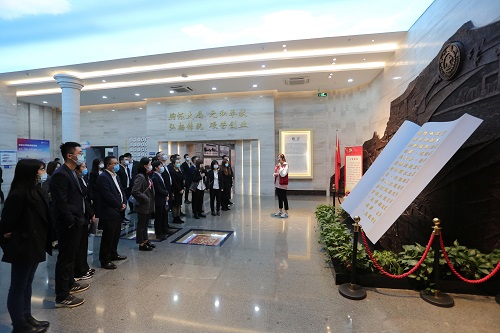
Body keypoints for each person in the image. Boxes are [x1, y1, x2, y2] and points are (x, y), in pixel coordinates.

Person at [0, 159, 52, 333]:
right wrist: (12, 235)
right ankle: (19, 324)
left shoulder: (37, 190)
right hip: (23, 245)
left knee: (28, 284)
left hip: (35, 244)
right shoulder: (18, 194)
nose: (43, 172)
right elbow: (6, 223)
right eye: (41, 170)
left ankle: (27, 317)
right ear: (30, 172)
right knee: (18, 286)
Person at [50, 142, 89, 308]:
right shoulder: (60, 174)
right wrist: (71, 221)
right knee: (65, 258)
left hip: (77, 220)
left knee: (72, 255)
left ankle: (70, 283)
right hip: (68, 223)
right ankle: (62, 295)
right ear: (70, 155)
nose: (82, 156)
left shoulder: (72, 172)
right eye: (80, 153)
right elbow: (61, 202)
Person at [96, 156, 127, 269]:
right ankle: (105, 260)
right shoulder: (103, 177)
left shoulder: (115, 176)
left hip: (117, 210)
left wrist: (124, 202)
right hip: (109, 211)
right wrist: (119, 205)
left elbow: (121, 190)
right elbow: (107, 195)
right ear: (108, 165)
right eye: (115, 163)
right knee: (108, 237)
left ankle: (113, 254)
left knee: (116, 234)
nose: (117, 165)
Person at [74, 162, 95, 281]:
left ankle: (84, 267)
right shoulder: (75, 179)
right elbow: (82, 194)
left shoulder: (83, 178)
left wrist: (91, 212)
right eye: (83, 167)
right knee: (78, 245)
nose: (85, 169)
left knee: (84, 243)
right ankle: (79, 270)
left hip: (85, 212)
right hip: (78, 215)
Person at [131, 157, 155, 251]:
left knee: (145, 225)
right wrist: (145, 198)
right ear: (145, 166)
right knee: (141, 225)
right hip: (143, 205)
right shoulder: (140, 177)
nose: (150, 166)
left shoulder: (146, 175)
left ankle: (145, 240)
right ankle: (141, 244)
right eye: (149, 164)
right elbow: (135, 191)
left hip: (148, 205)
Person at [151, 161, 176, 240]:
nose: (162, 167)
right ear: (156, 167)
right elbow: (158, 189)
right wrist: (166, 193)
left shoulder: (160, 175)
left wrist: (167, 194)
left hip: (164, 199)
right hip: (159, 199)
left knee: (164, 215)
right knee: (158, 217)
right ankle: (159, 233)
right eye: (160, 166)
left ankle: (165, 229)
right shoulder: (154, 177)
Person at [169, 155, 185, 224]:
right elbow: (174, 182)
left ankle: (178, 216)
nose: (178, 164)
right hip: (175, 190)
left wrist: (183, 188)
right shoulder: (172, 172)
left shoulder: (179, 171)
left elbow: (182, 180)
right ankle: (175, 217)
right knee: (175, 204)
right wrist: (179, 189)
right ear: (173, 164)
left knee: (179, 204)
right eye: (177, 163)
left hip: (181, 190)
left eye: (179, 162)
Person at [116, 155, 131, 223]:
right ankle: (121, 217)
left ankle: (124, 216)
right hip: (122, 188)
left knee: (126, 202)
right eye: (125, 159)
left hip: (127, 187)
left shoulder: (127, 168)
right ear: (121, 161)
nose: (127, 161)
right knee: (122, 203)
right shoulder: (119, 169)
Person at [274, 153, 289, 218]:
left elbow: (283, 174)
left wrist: (280, 168)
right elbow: (276, 173)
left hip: (282, 184)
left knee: (284, 198)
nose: (278, 159)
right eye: (278, 157)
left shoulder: (286, 165)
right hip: (277, 184)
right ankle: (280, 211)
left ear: (283, 158)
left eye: (279, 157)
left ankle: (286, 212)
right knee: (279, 198)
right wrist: (275, 174)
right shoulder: (278, 165)